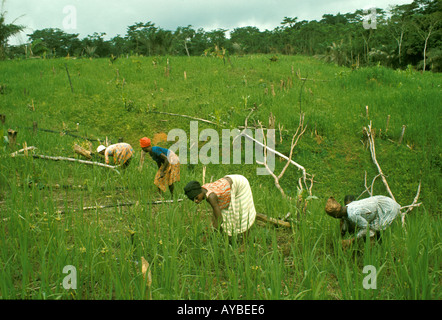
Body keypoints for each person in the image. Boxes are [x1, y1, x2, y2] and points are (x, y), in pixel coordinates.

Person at [184, 174, 256, 238]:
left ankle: (245, 242)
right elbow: (216, 212)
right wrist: (211, 226)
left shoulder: (211, 197)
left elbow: (220, 220)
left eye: (196, 198)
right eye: (193, 199)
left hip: (240, 184)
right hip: (229, 182)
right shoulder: (203, 191)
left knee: (241, 214)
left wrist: (210, 233)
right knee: (226, 214)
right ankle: (225, 235)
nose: (196, 201)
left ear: (199, 192)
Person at [325, 195, 401, 248]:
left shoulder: (353, 214)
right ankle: (372, 250)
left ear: (336, 215)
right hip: (380, 203)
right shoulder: (346, 209)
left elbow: (366, 228)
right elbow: (345, 221)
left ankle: (377, 251)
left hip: (386, 207)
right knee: (370, 231)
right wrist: (341, 236)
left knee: (375, 230)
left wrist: (352, 240)